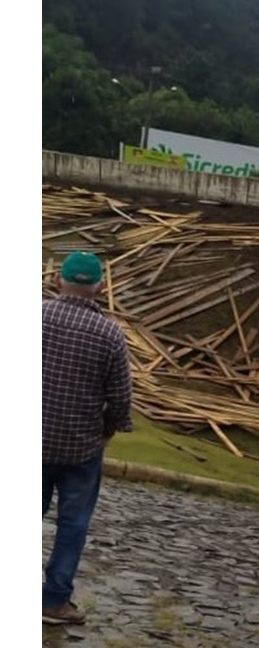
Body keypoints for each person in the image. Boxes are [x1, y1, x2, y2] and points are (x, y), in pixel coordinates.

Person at [43, 251, 133, 625]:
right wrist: (111, 428)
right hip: (81, 445)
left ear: (60, 280)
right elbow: (121, 396)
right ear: (99, 286)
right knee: (73, 523)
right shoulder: (110, 333)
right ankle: (53, 602)